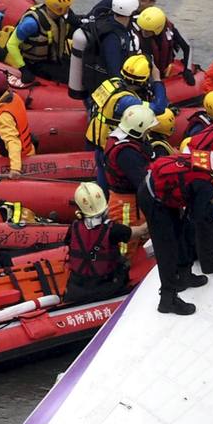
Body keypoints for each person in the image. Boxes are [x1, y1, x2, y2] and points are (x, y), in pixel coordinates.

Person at [140, 151, 213, 314]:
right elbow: (196, 216)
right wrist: (212, 200)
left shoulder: (211, 159)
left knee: (181, 234)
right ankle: (168, 299)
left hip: (159, 192)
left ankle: (184, 275)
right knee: (166, 249)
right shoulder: (207, 185)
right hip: (154, 199)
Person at [62, 182, 149, 306]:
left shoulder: (74, 227)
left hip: (76, 287)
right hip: (106, 287)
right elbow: (141, 231)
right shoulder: (113, 230)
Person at [72, 0, 141, 96]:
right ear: (132, 12)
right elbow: (114, 71)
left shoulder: (111, 23)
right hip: (103, 93)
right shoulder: (112, 38)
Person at [102, 104, 157, 233]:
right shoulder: (127, 153)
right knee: (126, 248)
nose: (149, 132)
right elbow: (142, 183)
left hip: (131, 202)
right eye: (147, 129)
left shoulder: (127, 139)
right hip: (126, 206)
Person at [6, 0, 77, 83]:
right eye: (65, 8)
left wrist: (77, 23)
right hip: (35, 63)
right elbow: (11, 44)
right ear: (57, 7)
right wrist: (23, 69)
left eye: (68, 7)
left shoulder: (63, 17)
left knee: (80, 73)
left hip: (56, 58)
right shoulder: (31, 23)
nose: (67, 10)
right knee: (71, 79)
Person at [86, 54, 158, 148]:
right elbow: (159, 108)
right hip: (105, 144)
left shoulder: (113, 83)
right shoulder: (127, 100)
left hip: (93, 135)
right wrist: (158, 80)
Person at [136, 6, 196, 85]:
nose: (143, 33)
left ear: (157, 29)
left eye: (147, 31)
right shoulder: (136, 34)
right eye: (142, 28)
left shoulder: (170, 29)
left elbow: (187, 47)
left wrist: (187, 70)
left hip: (163, 68)